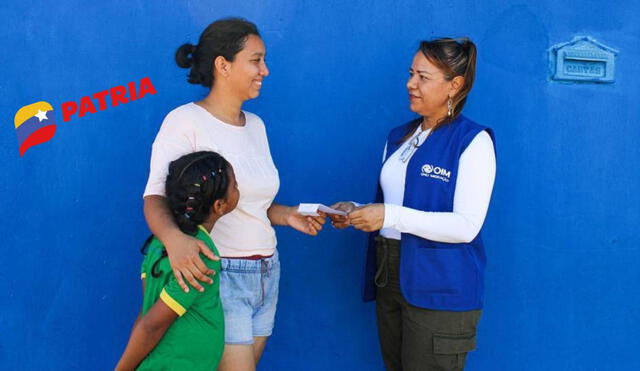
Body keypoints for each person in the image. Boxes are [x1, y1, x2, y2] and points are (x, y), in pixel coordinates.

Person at [142, 18, 325, 370]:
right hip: (219, 274)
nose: (265, 70)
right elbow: (154, 197)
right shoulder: (184, 122)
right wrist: (174, 241)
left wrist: (287, 216)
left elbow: (253, 204)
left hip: (267, 274)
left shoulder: (256, 126)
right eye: (256, 60)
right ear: (223, 65)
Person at [330, 38, 496, 370]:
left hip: (441, 288)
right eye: (410, 74)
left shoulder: (473, 141)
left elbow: (466, 226)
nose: (410, 84)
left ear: (455, 85)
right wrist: (356, 211)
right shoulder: (399, 136)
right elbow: (393, 205)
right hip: (389, 276)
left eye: (423, 77)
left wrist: (389, 215)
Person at [116, 151, 239, 370]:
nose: (239, 189)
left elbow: (146, 314)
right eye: (235, 186)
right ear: (220, 205)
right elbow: (152, 325)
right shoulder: (200, 254)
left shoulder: (158, 243)